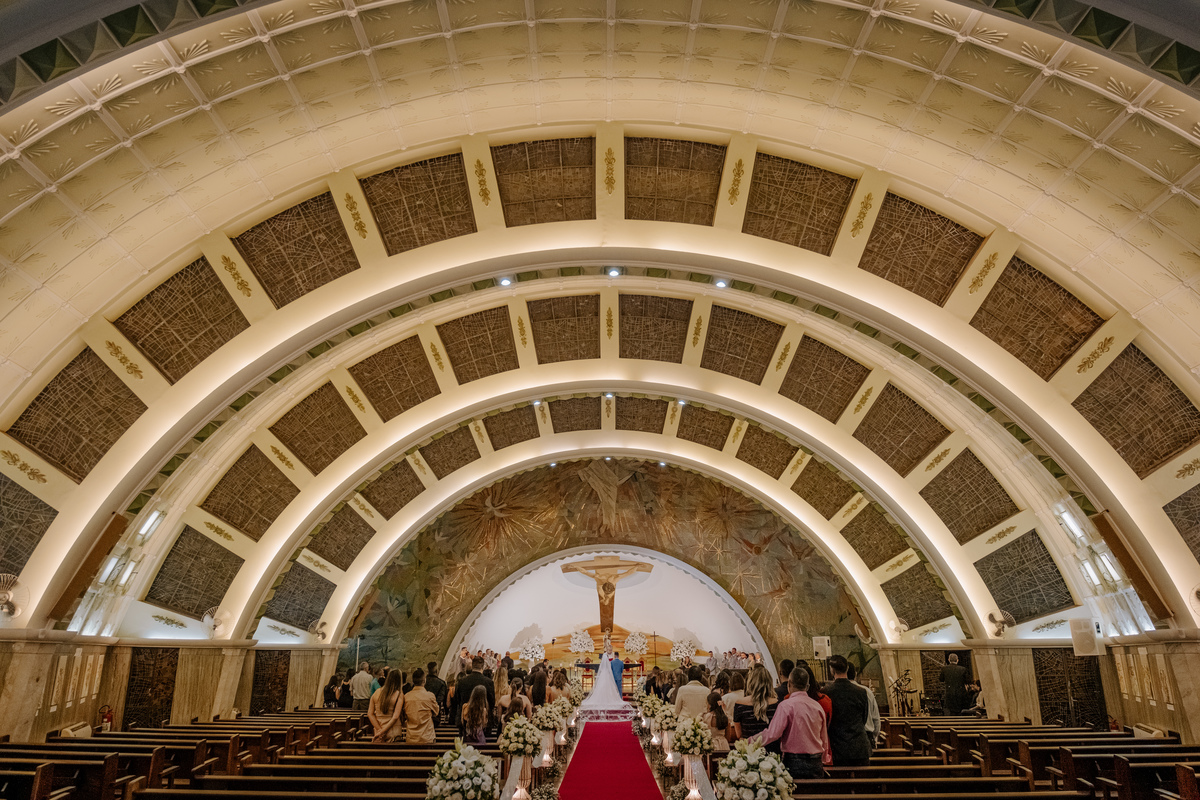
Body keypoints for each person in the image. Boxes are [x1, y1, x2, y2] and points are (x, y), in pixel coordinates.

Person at [750, 667, 829, 779]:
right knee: (814, 793)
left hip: (793, 762)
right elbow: (824, 738)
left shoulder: (786, 706)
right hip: (815, 762)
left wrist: (752, 741)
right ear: (807, 686)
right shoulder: (817, 707)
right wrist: (824, 758)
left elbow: (773, 734)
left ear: (789, 684)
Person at [824, 655, 871, 767]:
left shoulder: (826, 692)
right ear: (847, 669)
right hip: (859, 746)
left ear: (832, 671)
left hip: (837, 747)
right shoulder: (861, 692)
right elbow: (864, 718)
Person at [732, 664, 780, 753]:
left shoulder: (740, 704)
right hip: (772, 751)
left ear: (751, 683)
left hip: (749, 751)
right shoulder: (777, 704)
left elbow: (739, 735)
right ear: (769, 683)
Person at [455, 656, 495, 736]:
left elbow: (457, 700)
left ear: (472, 666)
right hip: (483, 722)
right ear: (483, 667)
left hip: (465, 719)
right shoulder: (488, 682)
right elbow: (492, 702)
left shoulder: (462, 681)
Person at [846, 662, 880, 751]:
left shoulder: (840, 692)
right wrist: (874, 736)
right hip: (866, 735)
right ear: (855, 674)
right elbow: (876, 718)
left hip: (846, 738)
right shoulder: (867, 691)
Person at [403, 668, 440, 743]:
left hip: (411, 737)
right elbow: (436, 712)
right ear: (424, 680)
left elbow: (404, 715)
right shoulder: (429, 696)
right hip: (427, 737)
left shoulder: (406, 697)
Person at [368, 670, 404, 742]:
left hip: (378, 732)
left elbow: (370, 714)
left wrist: (379, 730)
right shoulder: (399, 694)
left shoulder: (376, 692)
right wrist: (382, 731)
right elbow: (395, 716)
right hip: (393, 731)